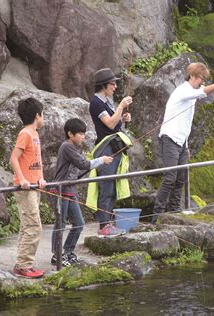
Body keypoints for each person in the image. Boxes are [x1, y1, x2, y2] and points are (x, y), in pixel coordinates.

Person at [153, 63, 214, 223]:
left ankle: (174, 211)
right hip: (169, 139)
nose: (202, 83)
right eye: (201, 79)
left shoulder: (191, 93)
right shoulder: (183, 91)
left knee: (181, 177)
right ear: (192, 76)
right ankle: (156, 216)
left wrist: (186, 146)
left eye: (204, 80)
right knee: (170, 177)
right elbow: (202, 92)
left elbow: (186, 122)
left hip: (181, 142)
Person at [50, 118, 113, 266]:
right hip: (60, 191)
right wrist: (101, 160)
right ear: (70, 134)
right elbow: (83, 164)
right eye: (80, 133)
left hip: (70, 191)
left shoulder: (73, 147)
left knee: (79, 223)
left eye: (84, 133)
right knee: (60, 224)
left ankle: (68, 251)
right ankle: (56, 254)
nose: (83, 136)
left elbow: (79, 167)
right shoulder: (67, 147)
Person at [89, 68, 132, 236]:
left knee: (112, 186)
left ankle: (108, 223)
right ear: (103, 85)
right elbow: (109, 124)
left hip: (114, 147)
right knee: (106, 186)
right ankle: (104, 225)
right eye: (112, 83)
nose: (115, 86)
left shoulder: (107, 101)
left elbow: (115, 123)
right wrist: (121, 106)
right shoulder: (96, 102)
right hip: (105, 149)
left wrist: (122, 118)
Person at [9, 97, 47, 278]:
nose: (43, 118)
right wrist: (22, 179)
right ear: (37, 115)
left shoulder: (35, 134)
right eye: (43, 114)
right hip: (25, 188)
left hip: (34, 186)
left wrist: (41, 178)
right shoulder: (25, 133)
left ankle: (24, 264)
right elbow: (14, 158)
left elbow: (36, 160)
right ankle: (23, 266)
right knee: (33, 226)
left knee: (27, 226)